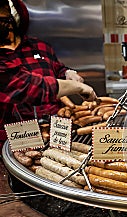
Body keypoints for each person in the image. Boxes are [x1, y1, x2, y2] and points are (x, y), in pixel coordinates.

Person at [0, 0, 97, 149]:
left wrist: (67, 73)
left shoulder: (40, 47)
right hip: (13, 141)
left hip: (56, 133)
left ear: (13, 19)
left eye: (4, 20)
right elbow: (28, 86)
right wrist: (78, 87)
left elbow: (57, 69)